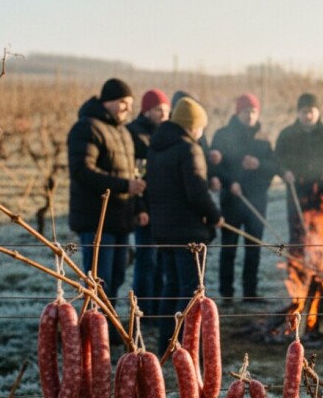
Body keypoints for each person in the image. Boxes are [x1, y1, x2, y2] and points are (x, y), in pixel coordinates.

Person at [145, 97, 224, 354]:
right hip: (188, 232)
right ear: (192, 126)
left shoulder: (157, 147)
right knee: (190, 289)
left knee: (171, 286)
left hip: (164, 230)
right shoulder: (189, 149)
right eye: (200, 127)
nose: (202, 132)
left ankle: (167, 342)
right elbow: (197, 192)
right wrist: (215, 216)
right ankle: (188, 346)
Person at [67, 78, 144, 303]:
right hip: (96, 219)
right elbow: (82, 171)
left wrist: (137, 206)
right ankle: (93, 330)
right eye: (123, 102)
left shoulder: (122, 133)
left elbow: (129, 174)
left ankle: (107, 330)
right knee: (99, 280)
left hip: (120, 217)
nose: (128, 108)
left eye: (130, 103)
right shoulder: (87, 127)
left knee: (117, 277)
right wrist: (124, 186)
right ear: (108, 101)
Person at [210, 93, 277, 304]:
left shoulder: (264, 138)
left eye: (254, 111)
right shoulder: (222, 135)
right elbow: (215, 165)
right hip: (232, 199)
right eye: (246, 111)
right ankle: (226, 293)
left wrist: (259, 164)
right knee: (228, 248)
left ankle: (250, 291)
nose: (250, 115)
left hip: (257, 199)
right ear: (238, 112)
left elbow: (273, 166)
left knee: (253, 248)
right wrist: (230, 183)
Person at [275, 93, 323, 254]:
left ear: (318, 112)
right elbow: (276, 160)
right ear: (298, 113)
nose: (308, 116)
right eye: (304, 112)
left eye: (312, 111)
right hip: (297, 192)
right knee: (298, 237)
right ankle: (297, 276)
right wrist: (284, 172)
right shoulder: (286, 135)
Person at [127, 89, 170, 316]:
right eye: (157, 109)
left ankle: (157, 309)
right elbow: (135, 174)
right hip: (145, 206)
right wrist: (140, 207)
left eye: (165, 109)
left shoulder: (167, 132)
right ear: (146, 110)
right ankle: (142, 309)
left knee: (162, 261)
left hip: (163, 207)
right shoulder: (134, 133)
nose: (163, 114)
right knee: (146, 260)